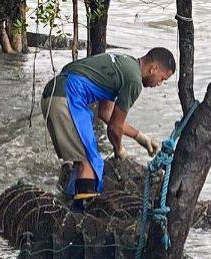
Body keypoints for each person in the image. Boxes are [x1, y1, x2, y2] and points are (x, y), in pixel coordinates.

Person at [39, 47, 175, 210]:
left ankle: (68, 204)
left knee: (81, 159)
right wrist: (119, 149)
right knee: (91, 162)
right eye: (162, 78)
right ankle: (81, 216)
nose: (159, 84)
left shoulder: (124, 63)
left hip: (53, 93)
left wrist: (139, 137)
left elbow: (106, 113)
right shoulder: (134, 81)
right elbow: (114, 127)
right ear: (154, 69)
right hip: (69, 97)